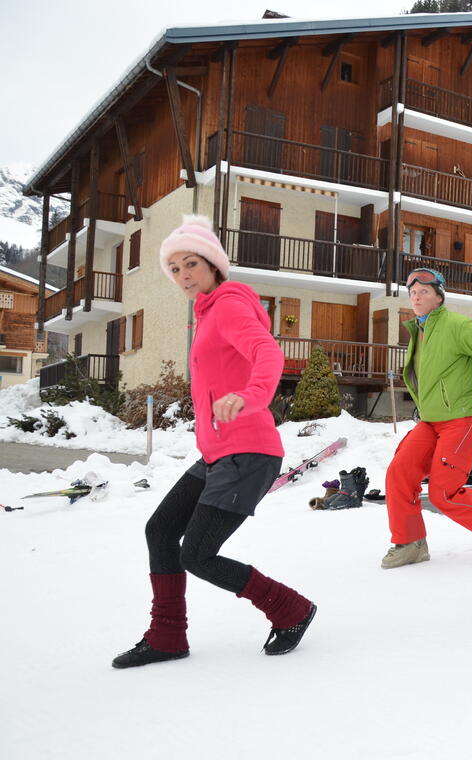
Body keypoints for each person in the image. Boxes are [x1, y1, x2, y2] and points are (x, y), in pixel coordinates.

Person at [112, 215, 316, 668]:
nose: (184, 275)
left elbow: (268, 351)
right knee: (161, 529)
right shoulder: (205, 315)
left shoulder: (227, 306)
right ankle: (166, 635)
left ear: (214, 267)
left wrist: (250, 395)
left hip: (248, 451)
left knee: (198, 554)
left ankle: (290, 608)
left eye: (192, 264)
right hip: (219, 452)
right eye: (176, 269)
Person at [381, 268, 472, 569]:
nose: (417, 298)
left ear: (439, 296)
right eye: (413, 293)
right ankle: (410, 543)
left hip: (460, 420)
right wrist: (423, 403)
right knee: (399, 472)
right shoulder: (419, 332)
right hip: (430, 421)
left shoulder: (458, 326)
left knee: (444, 492)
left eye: (424, 292)